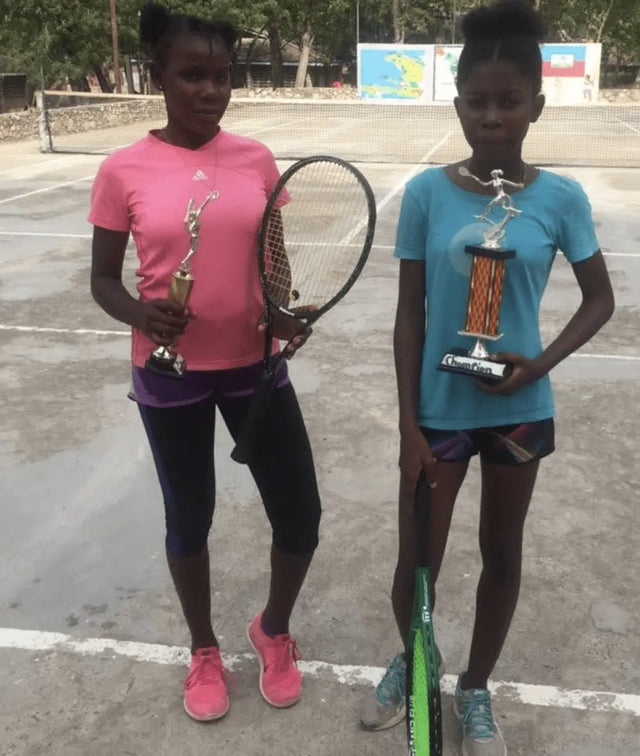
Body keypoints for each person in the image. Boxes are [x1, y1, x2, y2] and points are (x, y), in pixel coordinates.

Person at [359, 2, 614, 754]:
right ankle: (414, 661)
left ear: (536, 105)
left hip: (520, 408)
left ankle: (474, 689)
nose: (493, 117)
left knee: (503, 553)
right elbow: (409, 315)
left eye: (509, 102)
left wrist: (538, 363)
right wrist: (408, 425)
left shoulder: (560, 199)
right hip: (439, 410)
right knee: (418, 563)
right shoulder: (429, 195)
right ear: (458, 105)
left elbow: (600, 299)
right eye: (478, 102)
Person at [89, 1, 321, 722]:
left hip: (254, 369)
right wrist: (139, 313)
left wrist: (283, 310)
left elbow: (272, 257)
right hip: (171, 377)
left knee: (301, 516)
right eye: (192, 75)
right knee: (190, 517)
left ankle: (273, 629)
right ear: (157, 76)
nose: (209, 91)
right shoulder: (121, 169)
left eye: (221, 76)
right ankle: (203, 649)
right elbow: (102, 281)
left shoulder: (254, 160)